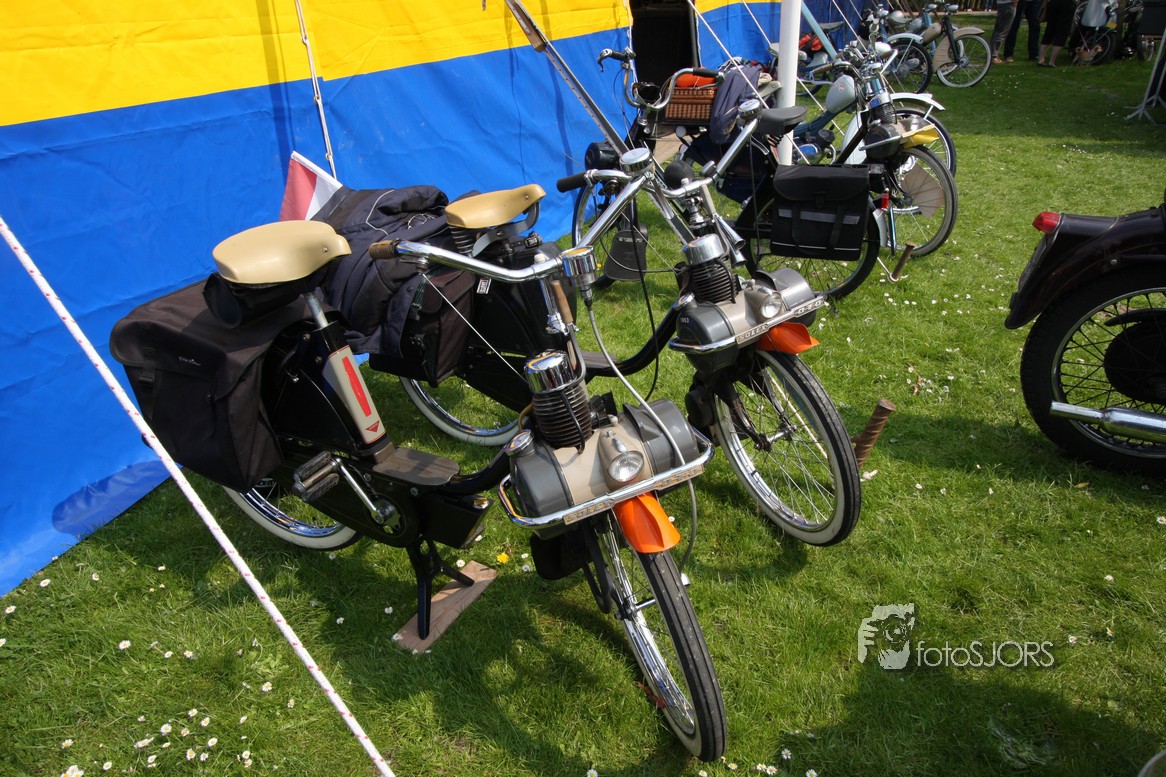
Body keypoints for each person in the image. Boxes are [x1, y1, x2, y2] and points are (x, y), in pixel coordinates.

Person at [1038, 0, 1075, 66]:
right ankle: (1051, 62)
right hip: (1067, 4)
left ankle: (1041, 59)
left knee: (1049, 30)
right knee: (1062, 32)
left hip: (1053, 2)